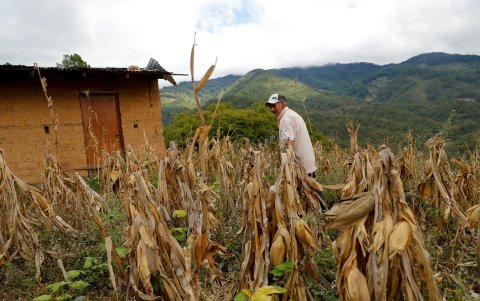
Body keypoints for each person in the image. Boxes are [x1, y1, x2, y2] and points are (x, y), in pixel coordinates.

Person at [265, 93, 317, 178]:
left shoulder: (285, 119)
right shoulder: (292, 114)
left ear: (282, 104)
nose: (272, 109)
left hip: (300, 167)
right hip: (308, 165)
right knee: (313, 190)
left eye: (274, 106)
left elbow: (290, 143)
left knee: (307, 191)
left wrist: (285, 166)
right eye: (270, 107)